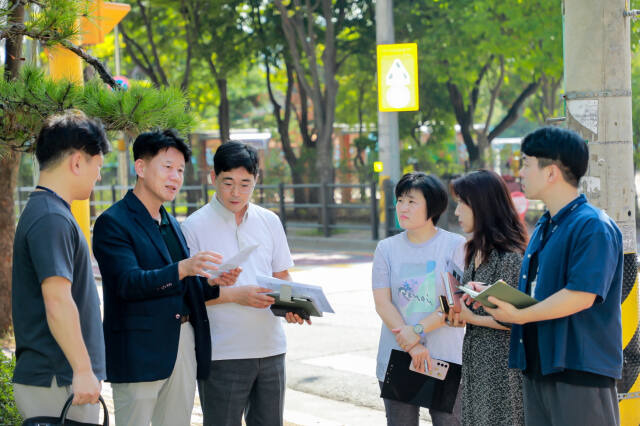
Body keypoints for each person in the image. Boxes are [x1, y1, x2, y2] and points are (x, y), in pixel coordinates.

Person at [92, 130, 239, 426]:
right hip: (138, 353)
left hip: (182, 344)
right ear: (141, 168)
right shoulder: (113, 222)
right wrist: (183, 268)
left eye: (181, 170)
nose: (175, 177)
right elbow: (127, 284)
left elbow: (181, 285)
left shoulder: (170, 221)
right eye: (167, 167)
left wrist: (212, 282)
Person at [484, 127, 623, 426]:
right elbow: (543, 292)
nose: (519, 171)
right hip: (540, 366)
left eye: (525, 163)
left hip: (579, 372)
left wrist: (521, 315)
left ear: (550, 173)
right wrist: (503, 302)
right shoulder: (546, 226)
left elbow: (582, 295)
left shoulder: (593, 226)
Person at [181, 141, 307, 426]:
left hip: (271, 348)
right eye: (228, 183)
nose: (236, 193)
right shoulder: (193, 227)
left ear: (256, 181)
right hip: (223, 353)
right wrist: (236, 295)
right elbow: (188, 295)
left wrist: (293, 305)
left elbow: (281, 276)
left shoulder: (269, 221)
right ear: (212, 178)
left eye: (245, 184)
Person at [11, 110, 109, 422]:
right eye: (98, 166)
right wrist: (82, 370)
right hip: (60, 381)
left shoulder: (48, 211)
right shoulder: (51, 217)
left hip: (60, 380)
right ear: (78, 162)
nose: (99, 176)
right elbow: (57, 300)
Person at [372, 172, 466, 426]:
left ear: (432, 206)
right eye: (400, 200)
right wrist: (411, 344)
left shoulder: (455, 246)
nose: (402, 207)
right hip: (399, 355)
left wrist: (416, 330)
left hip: (445, 357)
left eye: (411, 201)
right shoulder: (386, 248)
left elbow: (453, 305)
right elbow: (382, 303)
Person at [450, 170, 527, 425]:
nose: (456, 212)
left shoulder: (510, 256)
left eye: (462, 203)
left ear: (482, 205)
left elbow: (519, 320)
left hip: (502, 371)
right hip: (477, 364)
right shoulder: (475, 251)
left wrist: (473, 317)